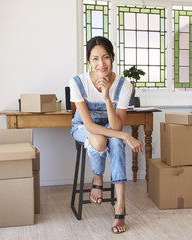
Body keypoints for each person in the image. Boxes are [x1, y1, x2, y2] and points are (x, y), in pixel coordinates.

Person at [69, 36, 143, 234]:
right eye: (95, 59)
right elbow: (89, 126)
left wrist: (107, 98)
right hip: (84, 128)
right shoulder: (78, 82)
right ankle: (97, 178)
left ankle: (120, 207)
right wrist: (125, 136)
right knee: (101, 141)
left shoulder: (123, 85)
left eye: (105, 57)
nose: (101, 64)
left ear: (112, 58)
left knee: (116, 143)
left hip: (110, 126)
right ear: (88, 61)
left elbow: (117, 125)